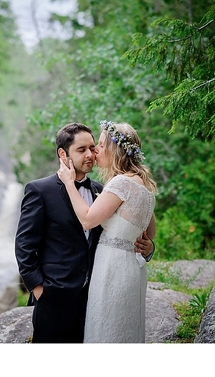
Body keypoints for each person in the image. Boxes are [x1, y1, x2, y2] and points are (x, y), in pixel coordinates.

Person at [15, 122, 154, 343]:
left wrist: (148, 247)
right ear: (63, 154)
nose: (90, 154)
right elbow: (24, 246)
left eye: (93, 147)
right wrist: (39, 289)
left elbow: (133, 228)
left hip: (97, 294)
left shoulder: (104, 190)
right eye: (82, 150)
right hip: (55, 297)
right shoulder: (40, 190)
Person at [57, 120, 156, 343]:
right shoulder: (143, 185)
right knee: (124, 328)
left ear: (114, 149)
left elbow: (88, 220)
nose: (95, 151)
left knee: (106, 328)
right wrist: (149, 247)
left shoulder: (120, 183)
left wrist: (69, 183)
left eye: (100, 145)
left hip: (112, 267)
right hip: (132, 268)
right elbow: (150, 232)